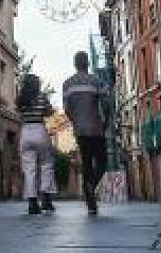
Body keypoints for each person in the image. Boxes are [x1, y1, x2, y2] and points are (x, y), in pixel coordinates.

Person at [63, 50, 106, 215]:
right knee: (101, 162)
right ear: (87, 63)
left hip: (80, 129)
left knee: (87, 163)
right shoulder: (96, 81)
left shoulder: (67, 84)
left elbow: (67, 109)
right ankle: (91, 186)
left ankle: (91, 204)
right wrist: (106, 121)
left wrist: (75, 122)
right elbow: (106, 103)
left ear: (75, 64)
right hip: (96, 128)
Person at [16, 73, 56, 215]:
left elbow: (19, 112)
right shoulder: (41, 96)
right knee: (47, 165)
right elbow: (49, 111)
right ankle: (46, 198)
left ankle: (32, 202)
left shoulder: (21, 99)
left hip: (26, 131)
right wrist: (45, 110)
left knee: (29, 169)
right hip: (39, 130)